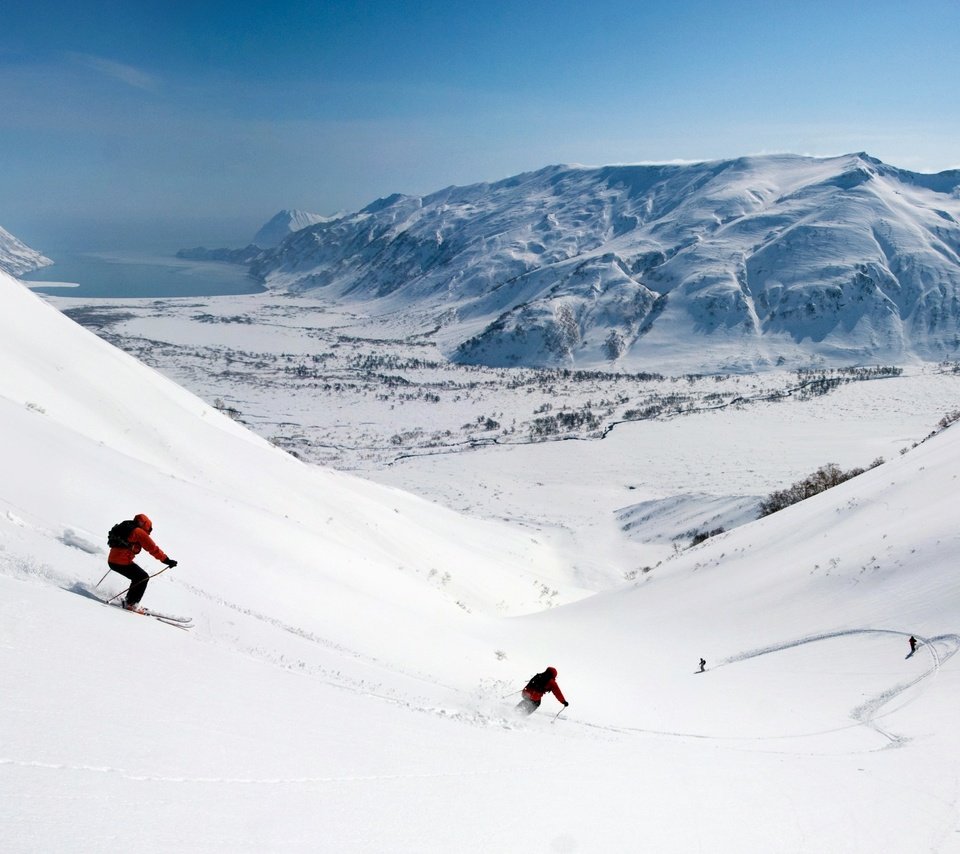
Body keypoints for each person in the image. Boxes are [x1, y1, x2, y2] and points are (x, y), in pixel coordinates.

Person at [107, 513, 177, 613]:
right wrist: (167, 560)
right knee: (143, 577)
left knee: (138, 577)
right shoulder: (138, 532)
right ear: (146, 525)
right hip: (121, 562)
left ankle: (129, 601)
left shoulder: (126, 525)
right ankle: (131, 604)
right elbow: (152, 548)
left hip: (112, 560)